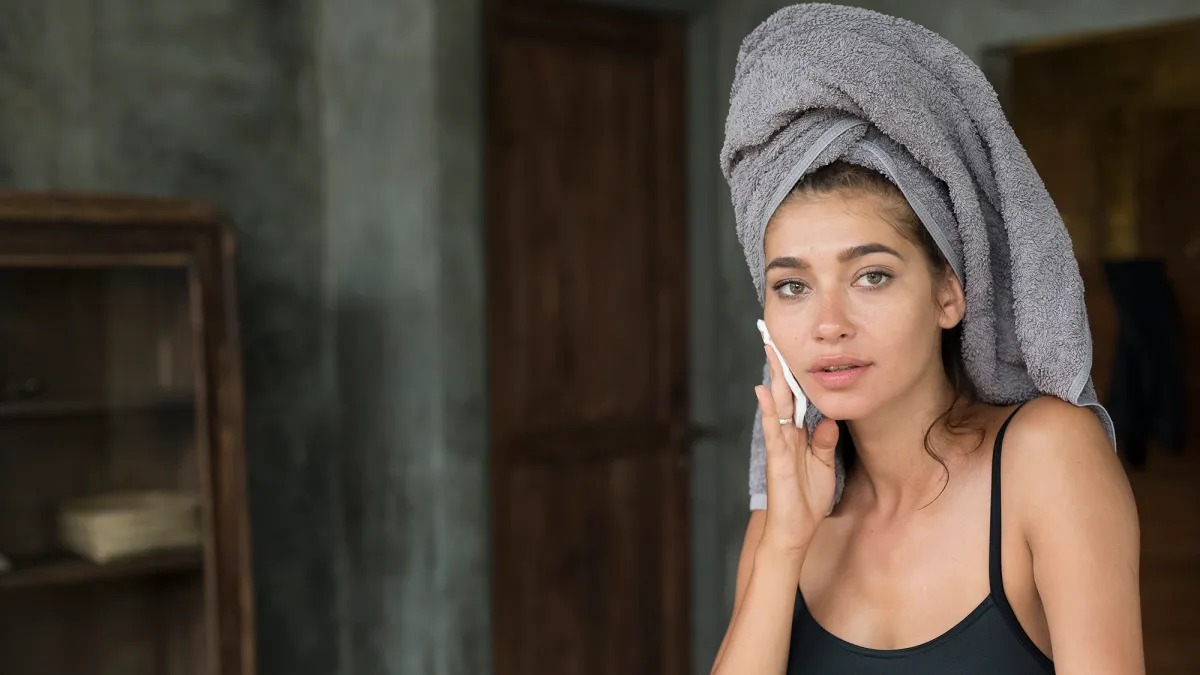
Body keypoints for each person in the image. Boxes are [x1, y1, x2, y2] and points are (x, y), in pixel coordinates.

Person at [709, 160, 1144, 674]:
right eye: (793, 286)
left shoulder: (1047, 456)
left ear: (948, 295)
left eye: (872, 276)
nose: (828, 325)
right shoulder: (786, 513)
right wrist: (783, 545)